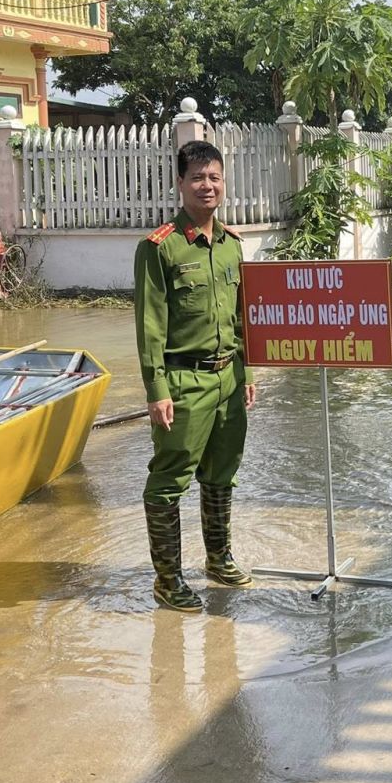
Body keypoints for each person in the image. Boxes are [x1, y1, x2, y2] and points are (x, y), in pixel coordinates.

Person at [134, 140, 257, 612]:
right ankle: (167, 580)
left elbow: (241, 317)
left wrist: (245, 371)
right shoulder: (159, 248)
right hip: (184, 383)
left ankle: (218, 559)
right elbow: (149, 326)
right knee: (168, 481)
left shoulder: (231, 246)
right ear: (180, 184)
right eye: (197, 178)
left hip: (228, 381)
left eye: (215, 177)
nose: (207, 186)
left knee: (222, 474)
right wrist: (157, 390)